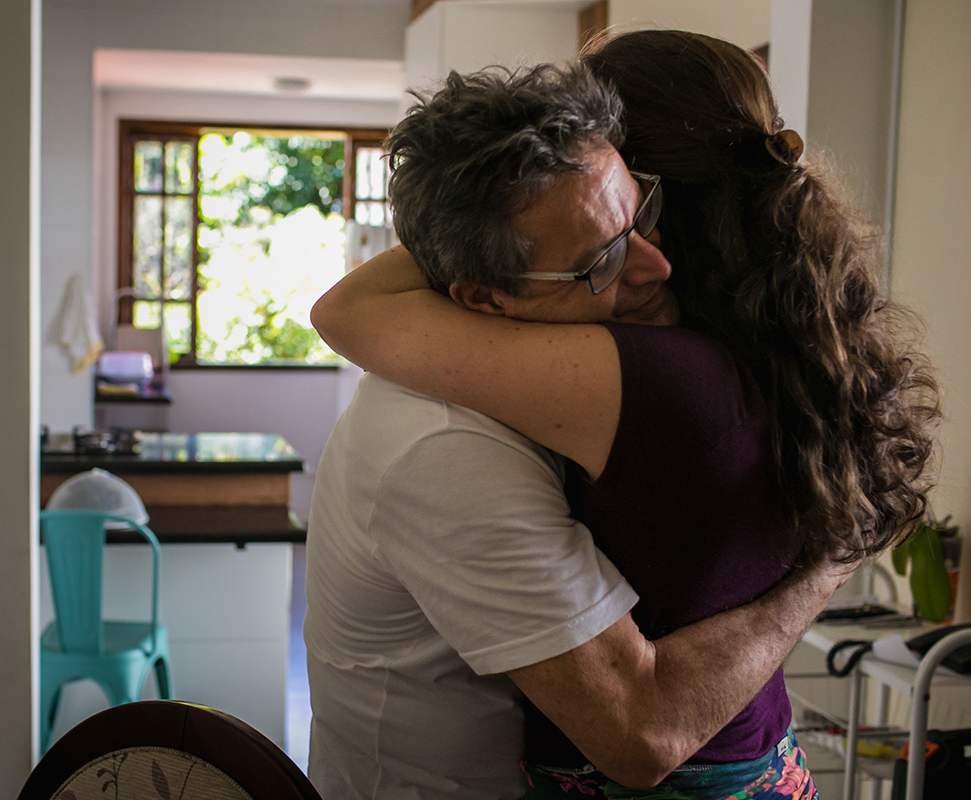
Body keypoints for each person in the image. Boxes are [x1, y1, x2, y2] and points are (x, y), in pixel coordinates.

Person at [310, 32, 939, 800]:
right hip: (767, 752)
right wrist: (826, 564)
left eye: (642, 209)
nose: (652, 263)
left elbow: (348, 308)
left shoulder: (649, 375)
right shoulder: (781, 341)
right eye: (605, 254)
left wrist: (546, 188)